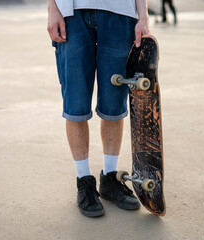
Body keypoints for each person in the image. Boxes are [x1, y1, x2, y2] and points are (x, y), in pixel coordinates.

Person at [46, 0, 150, 217]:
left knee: (114, 105)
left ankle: (110, 179)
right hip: (71, 14)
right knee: (75, 105)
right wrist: (52, 8)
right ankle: (84, 181)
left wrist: (144, 16)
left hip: (120, 13)